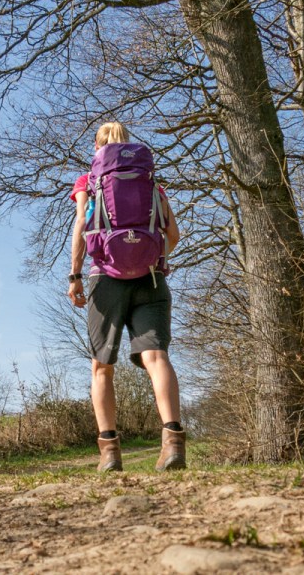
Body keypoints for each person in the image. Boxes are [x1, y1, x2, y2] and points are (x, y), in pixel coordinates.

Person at [67, 121, 185, 472]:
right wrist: (158, 258)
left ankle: (110, 454)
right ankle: (173, 444)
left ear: (97, 147)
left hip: (105, 278)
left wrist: (75, 275)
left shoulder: (89, 181)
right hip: (151, 279)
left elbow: (81, 226)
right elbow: (173, 234)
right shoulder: (152, 183)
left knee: (102, 366)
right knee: (157, 357)